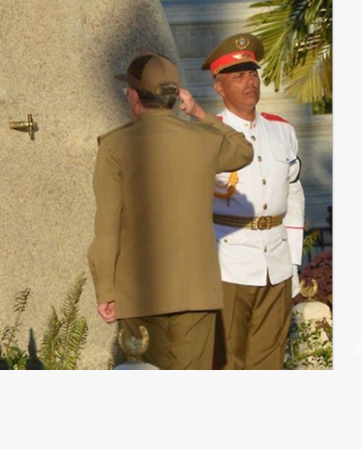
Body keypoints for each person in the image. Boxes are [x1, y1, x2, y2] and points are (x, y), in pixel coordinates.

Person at [87, 53, 254, 369]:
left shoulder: (115, 145)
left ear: (133, 96)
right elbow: (243, 150)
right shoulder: (203, 139)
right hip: (196, 292)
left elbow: (106, 229)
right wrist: (200, 113)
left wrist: (106, 290)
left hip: (139, 291)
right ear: (176, 97)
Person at [200, 32, 305, 370]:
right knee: (228, 360)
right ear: (219, 86)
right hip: (229, 263)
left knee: (269, 360)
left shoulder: (282, 131)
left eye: (253, 73)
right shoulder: (206, 135)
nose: (250, 83)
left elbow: (294, 194)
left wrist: (293, 261)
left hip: (275, 262)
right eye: (239, 76)